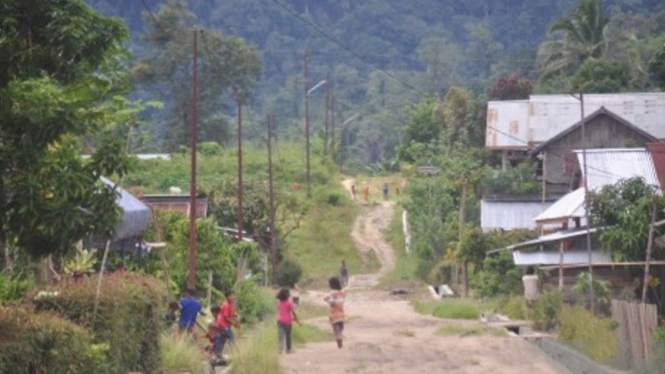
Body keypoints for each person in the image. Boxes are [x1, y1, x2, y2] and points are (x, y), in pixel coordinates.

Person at [324, 276, 346, 348]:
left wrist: (327, 299)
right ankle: (340, 338)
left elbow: (332, 303)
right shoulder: (341, 293)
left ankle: (339, 340)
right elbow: (342, 301)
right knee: (340, 327)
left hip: (334, 313)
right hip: (341, 313)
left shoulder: (332, 293)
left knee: (336, 329)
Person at [276, 288, 300, 354]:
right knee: (288, 335)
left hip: (280, 320)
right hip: (288, 321)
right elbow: (293, 312)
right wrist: (297, 319)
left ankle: (280, 349)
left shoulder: (279, 302)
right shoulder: (289, 302)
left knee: (280, 336)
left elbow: (279, 310)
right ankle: (288, 349)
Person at [216, 291, 238, 358]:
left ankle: (218, 354)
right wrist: (234, 323)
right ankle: (236, 354)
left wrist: (236, 316)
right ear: (228, 297)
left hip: (222, 325)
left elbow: (231, 314)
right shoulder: (226, 305)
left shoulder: (230, 305)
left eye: (234, 296)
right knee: (231, 337)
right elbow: (226, 317)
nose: (233, 297)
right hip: (223, 325)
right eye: (232, 296)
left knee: (222, 338)